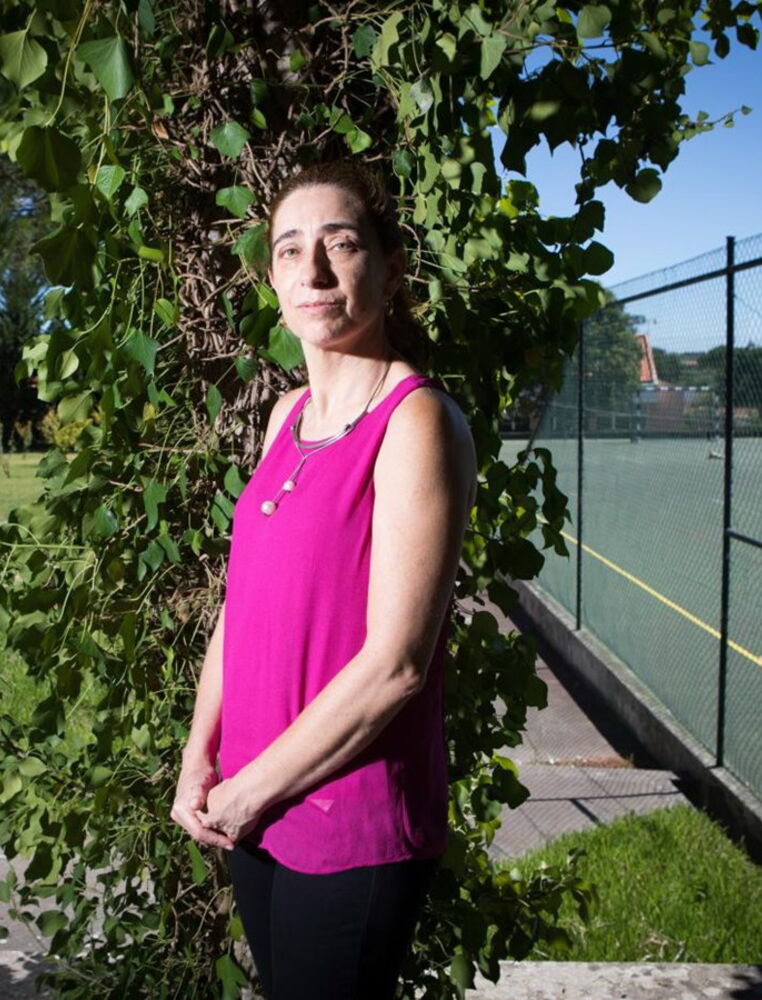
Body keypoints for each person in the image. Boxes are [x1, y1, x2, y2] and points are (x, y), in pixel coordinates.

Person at [169, 158, 477, 1000]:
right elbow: (242, 606)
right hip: (254, 804)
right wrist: (201, 755)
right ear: (272, 278)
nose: (311, 270)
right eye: (289, 249)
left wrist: (248, 792)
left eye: (339, 244)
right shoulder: (286, 417)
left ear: (390, 267)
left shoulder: (416, 422)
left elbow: (397, 666)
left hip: (347, 820)